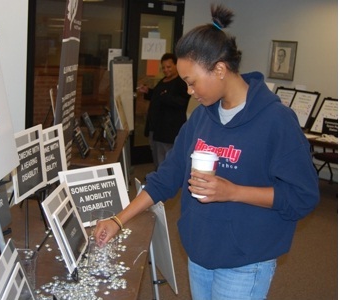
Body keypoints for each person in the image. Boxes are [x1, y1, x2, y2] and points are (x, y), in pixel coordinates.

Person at [94, 4, 319, 300]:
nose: (189, 91)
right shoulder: (201, 118)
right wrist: (117, 220)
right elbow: (166, 178)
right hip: (200, 254)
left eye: (191, 82)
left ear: (220, 69)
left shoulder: (276, 121)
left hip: (245, 262)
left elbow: (303, 196)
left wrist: (233, 191)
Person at [138, 53, 190, 169]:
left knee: (167, 158)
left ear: (176, 65)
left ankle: (165, 182)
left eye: (169, 67)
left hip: (168, 130)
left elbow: (181, 102)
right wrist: (148, 92)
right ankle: (158, 177)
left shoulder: (181, 82)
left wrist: (165, 96)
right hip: (156, 128)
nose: (166, 70)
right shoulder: (164, 80)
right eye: (163, 67)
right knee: (156, 155)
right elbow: (158, 96)